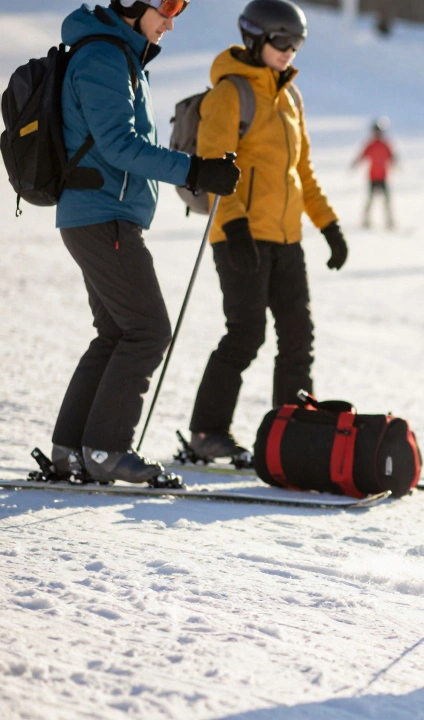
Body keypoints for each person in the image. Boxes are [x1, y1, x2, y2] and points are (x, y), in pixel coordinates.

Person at [50, 0, 241, 484]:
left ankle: (72, 449)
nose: (173, 21)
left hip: (104, 215)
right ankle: (106, 450)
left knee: (116, 333)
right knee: (148, 330)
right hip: (102, 215)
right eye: (168, 6)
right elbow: (119, 144)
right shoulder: (104, 58)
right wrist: (195, 170)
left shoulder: (123, 56)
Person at [184, 0, 347, 463]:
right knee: (246, 333)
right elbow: (216, 167)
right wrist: (234, 226)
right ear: (255, 37)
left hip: (286, 239)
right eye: (281, 41)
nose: (289, 51)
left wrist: (329, 226)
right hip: (240, 235)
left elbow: (303, 172)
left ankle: (292, 434)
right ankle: (207, 433)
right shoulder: (230, 94)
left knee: (298, 337)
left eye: (296, 43)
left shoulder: (292, 97)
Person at [353, 116, 396, 229]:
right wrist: (355, 163)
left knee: (386, 200)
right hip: (373, 176)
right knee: (370, 200)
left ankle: (389, 220)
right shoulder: (371, 144)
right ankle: (366, 220)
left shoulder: (385, 144)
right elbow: (362, 155)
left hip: (383, 176)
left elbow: (392, 156)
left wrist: (395, 162)